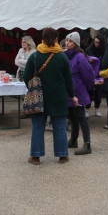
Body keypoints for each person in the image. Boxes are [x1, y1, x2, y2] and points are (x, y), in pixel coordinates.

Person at [23, 27, 74, 165]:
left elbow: (26, 76)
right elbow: (68, 79)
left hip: (39, 97)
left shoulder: (34, 56)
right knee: (59, 127)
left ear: (42, 39)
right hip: (59, 97)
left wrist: (33, 88)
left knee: (38, 126)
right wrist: (72, 95)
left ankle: (36, 156)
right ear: (56, 39)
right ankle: (62, 155)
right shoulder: (62, 56)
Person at [64, 32, 95, 155]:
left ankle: (87, 144)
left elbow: (89, 75)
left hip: (78, 91)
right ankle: (73, 140)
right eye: (66, 40)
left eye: (70, 41)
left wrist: (86, 88)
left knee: (81, 118)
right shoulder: (66, 55)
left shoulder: (80, 57)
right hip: (69, 91)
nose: (67, 43)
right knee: (72, 117)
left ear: (76, 43)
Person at [85, 34, 106, 118]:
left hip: (99, 73)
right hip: (90, 73)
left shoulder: (103, 50)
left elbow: (104, 61)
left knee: (98, 92)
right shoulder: (88, 49)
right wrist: (88, 61)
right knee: (89, 91)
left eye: (98, 43)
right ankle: (87, 109)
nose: (97, 44)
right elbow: (84, 60)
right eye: (95, 42)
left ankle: (97, 109)